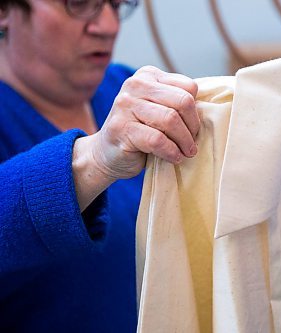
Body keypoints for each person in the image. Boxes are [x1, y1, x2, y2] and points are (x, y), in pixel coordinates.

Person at [0, 0, 200, 331]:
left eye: (117, 3)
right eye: (78, 3)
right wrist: (94, 159)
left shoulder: (126, 89)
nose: (108, 25)